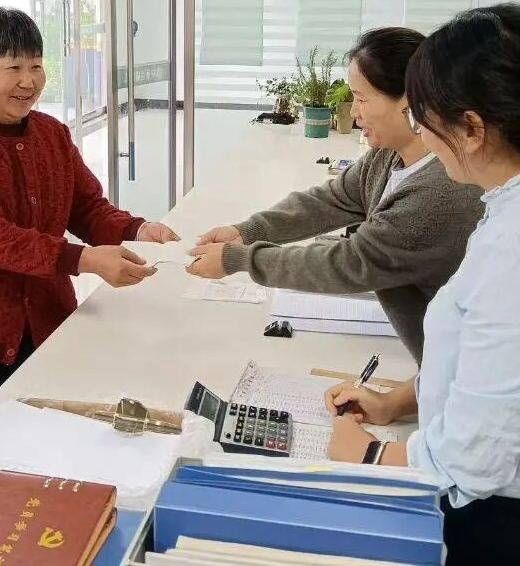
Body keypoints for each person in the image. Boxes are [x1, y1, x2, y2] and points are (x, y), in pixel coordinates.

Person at [325, 3, 520, 566]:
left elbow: (475, 459)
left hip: (517, 533)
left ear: (473, 128)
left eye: (424, 120)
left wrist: (367, 456)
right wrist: (395, 402)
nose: (422, 136)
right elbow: (492, 366)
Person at [0, 7, 178, 471]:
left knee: (39, 469)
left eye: (36, 66)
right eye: (13, 67)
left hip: (43, 331)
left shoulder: (52, 134)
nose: (28, 81)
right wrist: (84, 260)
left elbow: (86, 207)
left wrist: (136, 229)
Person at [188, 27, 483, 421]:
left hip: (473, 397)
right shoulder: (390, 155)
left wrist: (238, 259)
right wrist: (249, 230)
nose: (354, 112)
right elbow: (332, 199)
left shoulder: (438, 193)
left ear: (409, 101)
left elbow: (349, 263)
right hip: (443, 377)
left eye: (361, 98)